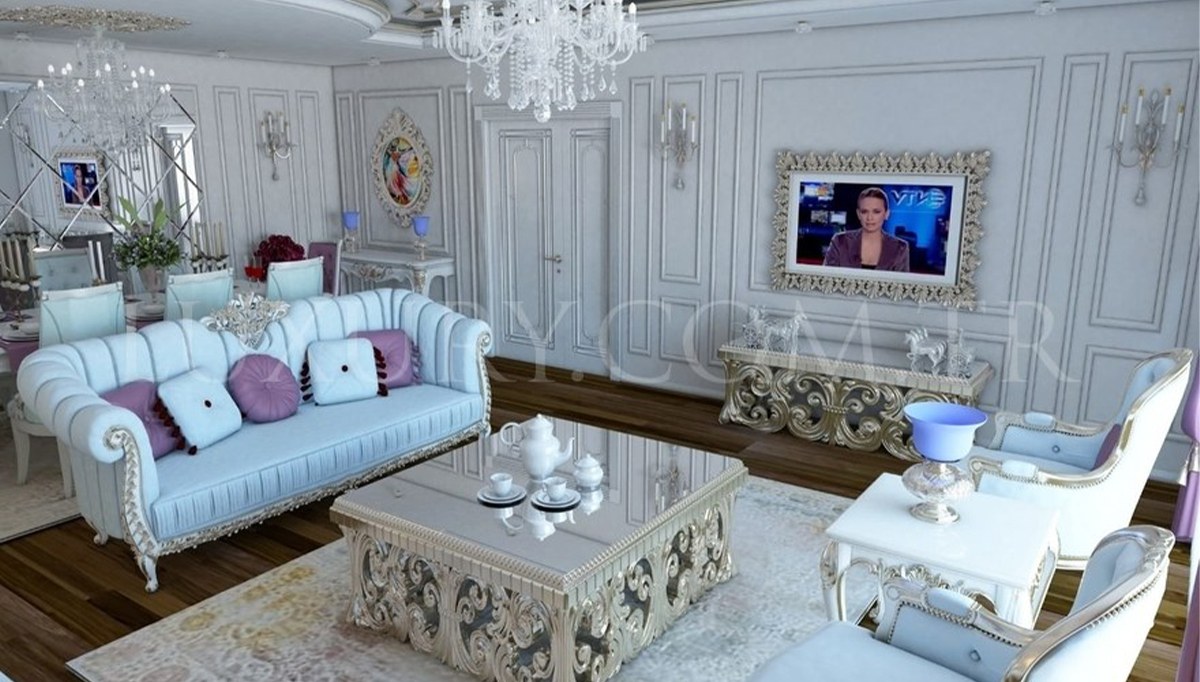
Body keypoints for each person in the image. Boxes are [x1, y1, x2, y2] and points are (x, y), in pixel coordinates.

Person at [821, 187, 910, 272]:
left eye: (876, 212)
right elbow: (827, 278)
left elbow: (901, 282)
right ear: (858, 214)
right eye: (864, 212)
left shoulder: (900, 248)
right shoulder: (840, 242)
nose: (869, 218)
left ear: (886, 214)